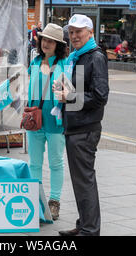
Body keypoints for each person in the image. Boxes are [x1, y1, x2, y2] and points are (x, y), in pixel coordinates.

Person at [53, 14, 109, 236]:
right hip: (75, 125)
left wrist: (71, 96)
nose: (74, 35)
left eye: (79, 31)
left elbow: (100, 96)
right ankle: (84, 223)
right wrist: (64, 89)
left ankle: (90, 230)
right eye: (72, 31)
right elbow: (80, 90)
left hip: (85, 129)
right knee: (80, 181)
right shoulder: (77, 57)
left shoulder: (95, 57)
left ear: (90, 33)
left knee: (84, 181)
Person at [27, 23, 67, 221]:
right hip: (34, 120)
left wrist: (63, 91)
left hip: (55, 122)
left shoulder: (65, 64)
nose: (46, 43)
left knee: (56, 163)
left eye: (51, 41)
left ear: (58, 44)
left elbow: (71, 93)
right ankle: (35, 199)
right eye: (44, 39)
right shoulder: (34, 62)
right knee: (34, 163)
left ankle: (54, 201)